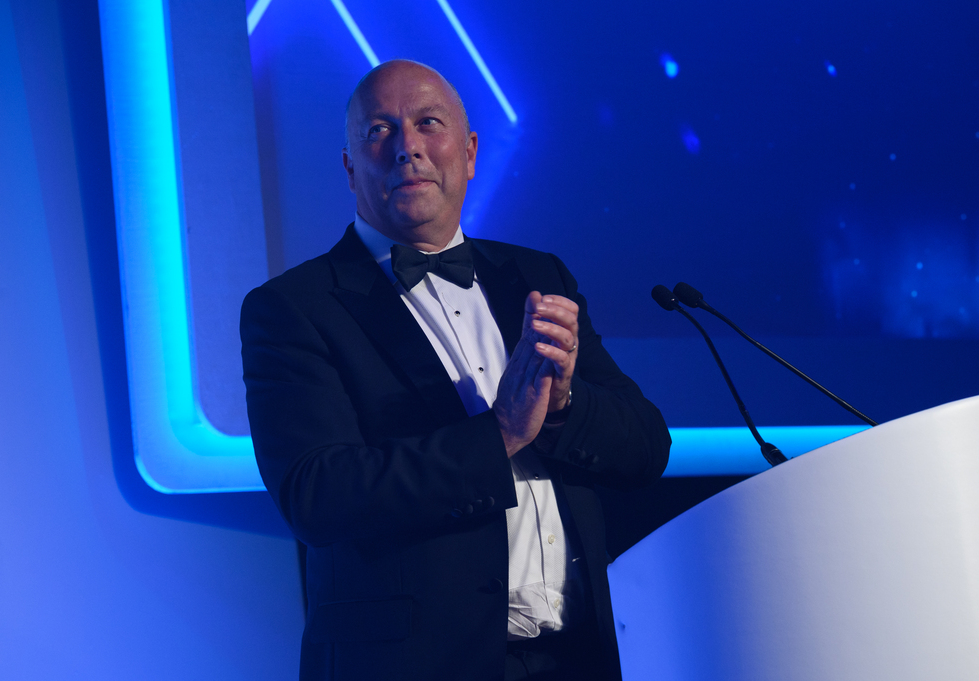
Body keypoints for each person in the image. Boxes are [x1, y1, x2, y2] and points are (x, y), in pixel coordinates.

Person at [240, 59, 670, 681]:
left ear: (468, 153)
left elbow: (647, 449)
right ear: (350, 166)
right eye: (379, 131)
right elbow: (317, 496)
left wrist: (563, 408)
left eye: (428, 123)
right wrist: (501, 434)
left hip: (579, 660)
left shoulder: (536, 275)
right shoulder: (293, 307)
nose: (407, 147)